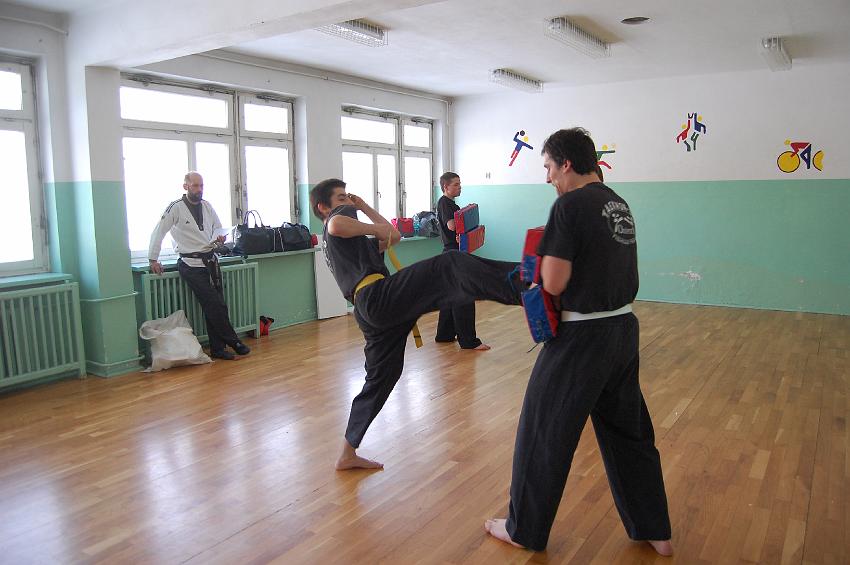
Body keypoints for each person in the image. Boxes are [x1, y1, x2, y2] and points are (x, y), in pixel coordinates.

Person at [485, 128, 673, 556]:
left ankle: (523, 529)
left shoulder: (568, 205)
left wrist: (533, 269)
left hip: (581, 338)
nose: (548, 177)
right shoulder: (617, 203)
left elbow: (554, 281)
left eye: (549, 167)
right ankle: (655, 530)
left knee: (542, 431)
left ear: (566, 163)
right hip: (622, 329)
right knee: (629, 434)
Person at [310, 178, 525, 471]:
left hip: (374, 311)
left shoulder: (354, 240)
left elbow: (394, 235)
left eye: (348, 197)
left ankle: (347, 453)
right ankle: (525, 287)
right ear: (323, 207)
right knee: (451, 264)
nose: (348, 202)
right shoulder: (334, 227)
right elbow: (337, 225)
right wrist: (368, 223)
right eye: (341, 198)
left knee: (381, 378)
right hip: (377, 298)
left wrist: (365, 207)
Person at [148, 171, 251, 361]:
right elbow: (159, 231)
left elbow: (218, 229)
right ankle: (234, 341)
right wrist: (153, 259)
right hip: (190, 263)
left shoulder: (207, 206)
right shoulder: (175, 208)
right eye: (195, 186)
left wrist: (220, 238)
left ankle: (218, 349)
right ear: (185, 186)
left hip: (210, 260)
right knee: (214, 304)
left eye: (201, 185)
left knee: (216, 305)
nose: (199, 189)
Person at [434, 172, 489, 351]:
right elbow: (452, 225)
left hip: (452, 253)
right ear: (446, 187)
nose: (459, 187)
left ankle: (445, 334)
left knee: (450, 295)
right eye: (456, 184)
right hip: (453, 254)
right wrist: (466, 226)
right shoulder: (444, 203)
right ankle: (469, 341)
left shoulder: (452, 204)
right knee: (465, 294)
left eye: (460, 184)